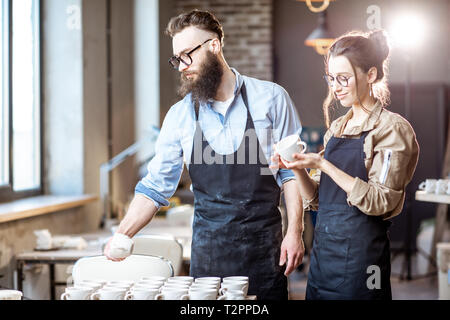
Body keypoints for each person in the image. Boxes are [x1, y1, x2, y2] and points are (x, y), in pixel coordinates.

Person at [103, 9, 305, 300]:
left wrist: (295, 231)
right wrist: (122, 234)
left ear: (214, 45)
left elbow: (290, 173)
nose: (182, 66)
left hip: (264, 252)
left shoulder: (271, 99)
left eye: (188, 54)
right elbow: (155, 187)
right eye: (177, 59)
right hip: (209, 256)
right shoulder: (180, 115)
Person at [271, 30, 419, 299]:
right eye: (331, 78)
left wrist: (323, 164)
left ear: (370, 75)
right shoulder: (337, 128)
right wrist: (297, 167)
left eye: (343, 78)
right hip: (323, 259)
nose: (335, 87)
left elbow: (381, 200)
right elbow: (319, 199)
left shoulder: (391, 129)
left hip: (364, 264)